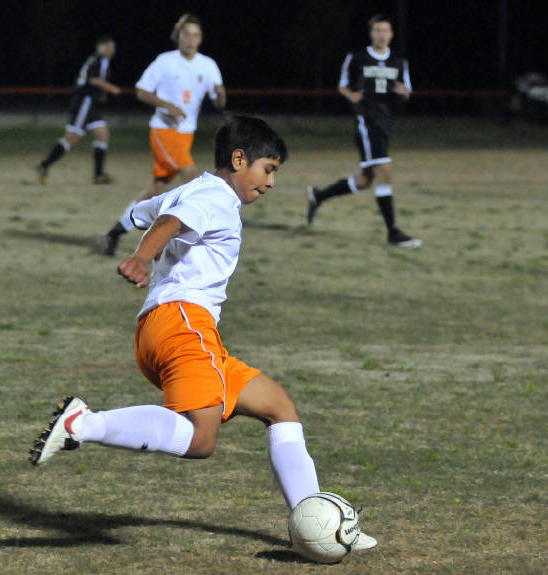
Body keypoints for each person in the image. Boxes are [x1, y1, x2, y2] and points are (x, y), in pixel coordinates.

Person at [28, 116, 377, 552]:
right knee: (200, 439)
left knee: (279, 408)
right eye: (268, 169)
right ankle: (83, 423)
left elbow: (146, 212)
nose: (271, 182)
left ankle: (317, 521)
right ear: (239, 159)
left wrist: (141, 227)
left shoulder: (195, 190)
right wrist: (143, 257)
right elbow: (171, 222)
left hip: (172, 328)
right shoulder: (215, 196)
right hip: (183, 325)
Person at [99, 13, 226, 256]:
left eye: (195, 35)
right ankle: (195, 242)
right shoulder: (165, 61)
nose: (191, 39)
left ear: (200, 39)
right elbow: (141, 91)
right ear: (178, 37)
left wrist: (220, 94)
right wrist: (167, 106)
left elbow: (219, 103)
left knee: (156, 190)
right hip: (163, 131)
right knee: (193, 178)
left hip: (185, 136)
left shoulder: (208, 65)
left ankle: (115, 232)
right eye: (186, 34)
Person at [306, 14, 421, 248]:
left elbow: (407, 90)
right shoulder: (357, 58)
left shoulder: (399, 62)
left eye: (385, 31)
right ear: (371, 34)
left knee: (365, 180)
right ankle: (393, 232)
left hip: (385, 122)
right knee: (384, 173)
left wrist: (404, 93)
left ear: (391, 34)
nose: (381, 35)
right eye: (377, 30)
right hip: (366, 122)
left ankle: (318, 196)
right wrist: (352, 95)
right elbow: (342, 85)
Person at [36, 35, 121, 185]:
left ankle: (98, 175)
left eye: (113, 47)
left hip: (91, 104)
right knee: (72, 137)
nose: (112, 50)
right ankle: (44, 165)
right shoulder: (100, 60)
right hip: (85, 103)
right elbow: (93, 80)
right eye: (110, 47)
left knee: (102, 135)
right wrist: (112, 88)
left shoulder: (96, 60)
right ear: (101, 47)